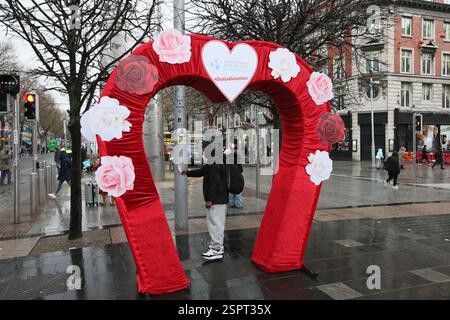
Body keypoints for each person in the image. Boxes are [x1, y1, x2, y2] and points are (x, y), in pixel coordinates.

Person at [181, 145, 229, 261]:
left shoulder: (214, 165)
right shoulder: (217, 163)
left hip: (216, 200)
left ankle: (217, 249)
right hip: (220, 199)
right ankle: (216, 246)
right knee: (216, 223)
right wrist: (187, 173)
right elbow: (202, 171)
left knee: (215, 224)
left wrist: (209, 200)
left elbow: (214, 184)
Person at [228, 142, 244, 208]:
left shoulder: (229, 155)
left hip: (233, 174)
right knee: (235, 189)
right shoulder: (236, 155)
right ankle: (237, 203)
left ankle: (233, 203)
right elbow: (240, 168)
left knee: (232, 189)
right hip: (235, 174)